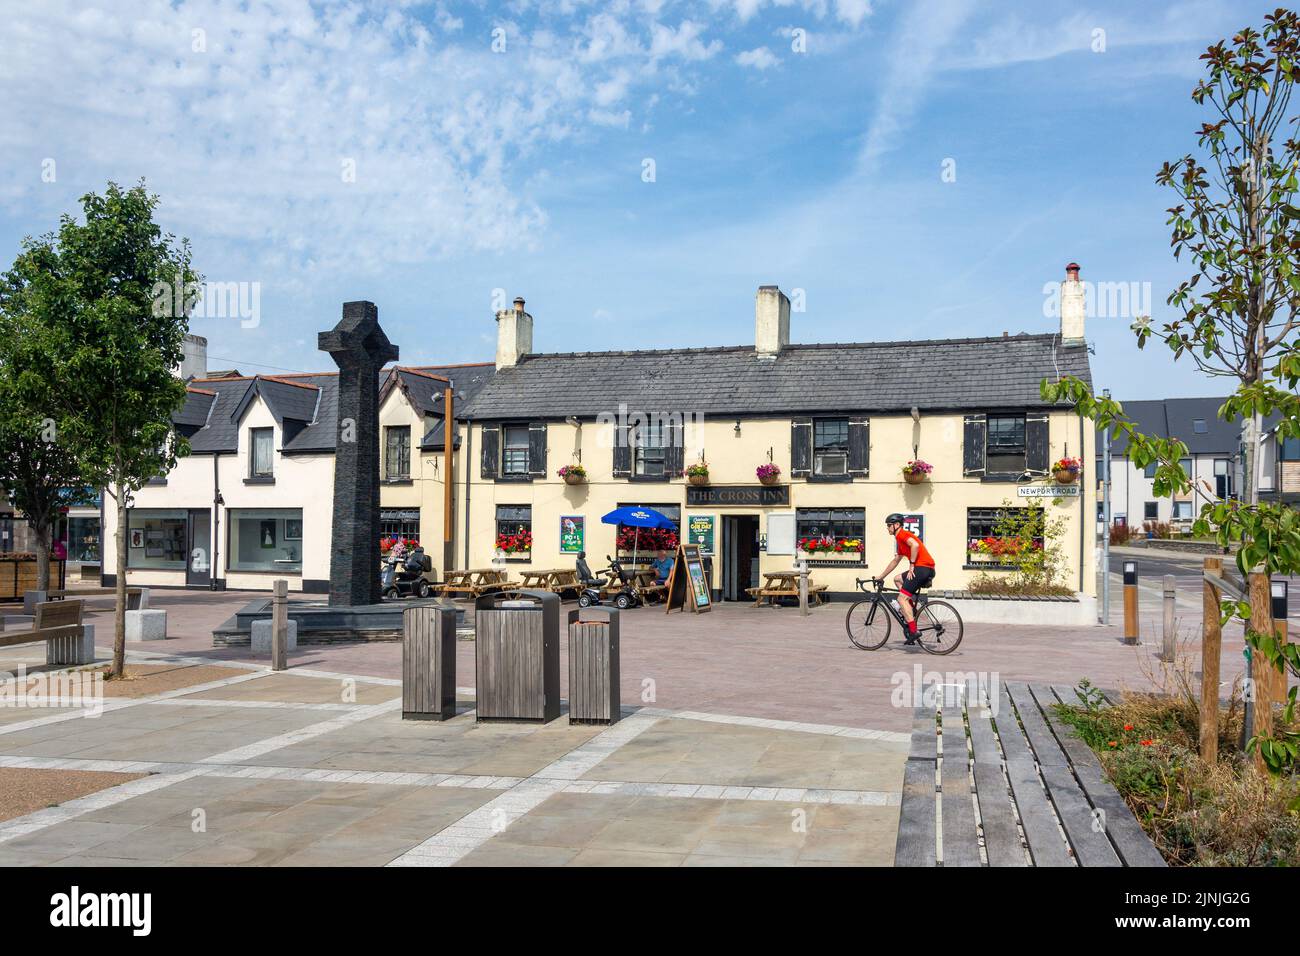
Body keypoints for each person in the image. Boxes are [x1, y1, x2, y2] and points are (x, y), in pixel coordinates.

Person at [878, 514, 935, 644]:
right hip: (925, 568)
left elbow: (915, 545)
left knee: (901, 598)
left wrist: (912, 564)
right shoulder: (899, 540)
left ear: (896, 525)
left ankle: (914, 631)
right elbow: (895, 560)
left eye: (888, 525)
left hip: (922, 568)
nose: (887, 528)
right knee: (897, 579)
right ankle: (910, 609)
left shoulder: (902, 534)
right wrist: (881, 576)